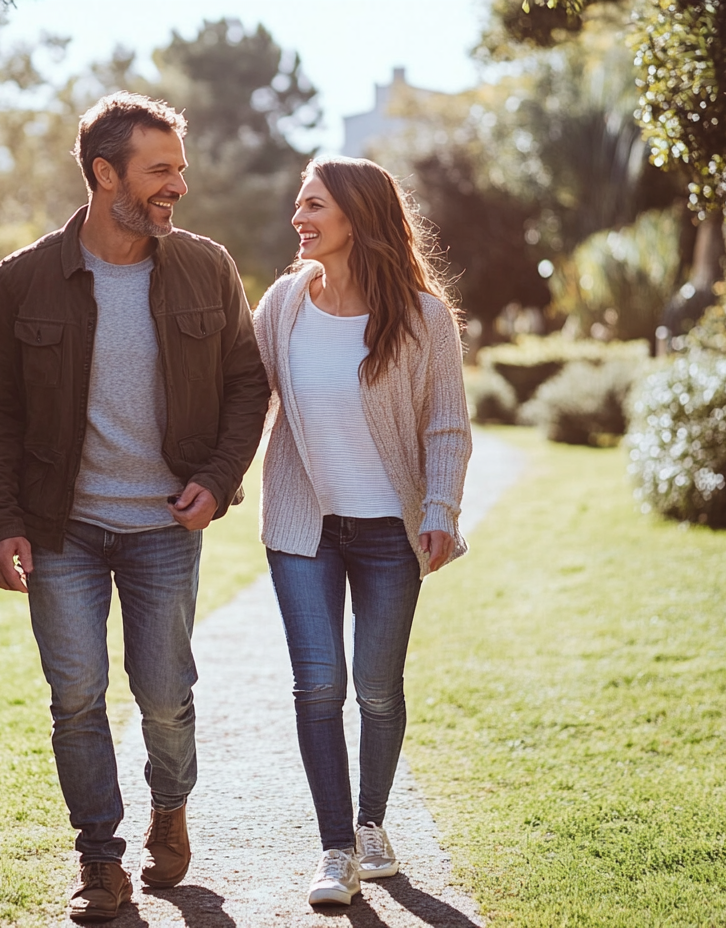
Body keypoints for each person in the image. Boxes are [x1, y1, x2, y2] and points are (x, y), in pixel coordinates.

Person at [0, 92, 269, 923]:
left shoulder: (206, 266)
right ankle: (100, 859)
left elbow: (247, 384)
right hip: (59, 528)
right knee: (75, 696)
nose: (179, 186)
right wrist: (2, 521)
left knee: (165, 693)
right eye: (160, 170)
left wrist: (220, 477)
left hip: (164, 524)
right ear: (106, 175)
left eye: (181, 169)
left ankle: (169, 806)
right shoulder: (22, 280)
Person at [252, 156, 471, 906]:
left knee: (377, 689)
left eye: (313, 204)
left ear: (356, 214)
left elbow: (446, 426)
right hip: (302, 527)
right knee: (319, 685)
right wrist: (211, 474)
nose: (298, 217)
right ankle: (336, 849)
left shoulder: (422, 317)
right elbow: (243, 398)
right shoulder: (282, 305)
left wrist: (439, 510)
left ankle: (372, 824)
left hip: (388, 533)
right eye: (299, 204)